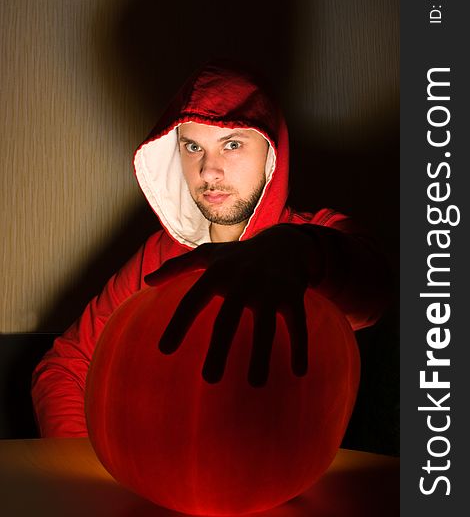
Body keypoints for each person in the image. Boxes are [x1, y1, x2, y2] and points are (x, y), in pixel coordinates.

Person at [31, 60, 391, 437]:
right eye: (192, 147)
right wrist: (83, 475)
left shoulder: (320, 236)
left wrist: (295, 252)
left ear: (271, 153)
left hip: (286, 485)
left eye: (231, 144)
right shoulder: (161, 255)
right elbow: (65, 367)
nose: (208, 171)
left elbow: (374, 294)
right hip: (160, 482)